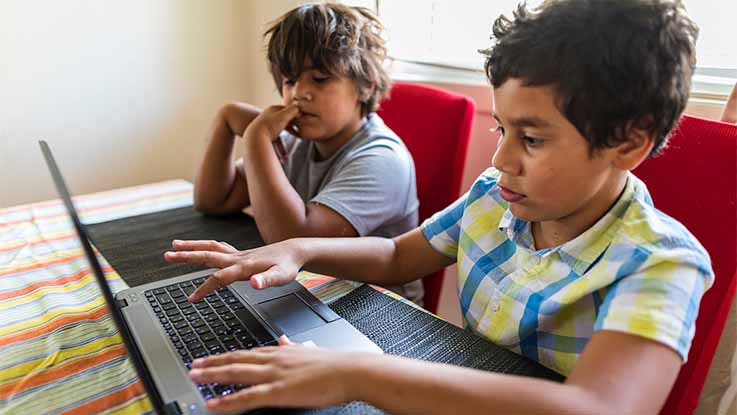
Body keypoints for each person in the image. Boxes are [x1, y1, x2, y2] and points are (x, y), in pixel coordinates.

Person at [165, 0, 714, 413]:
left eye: (532, 138)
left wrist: (359, 375)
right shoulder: (493, 198)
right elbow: (397, 257)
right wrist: (298, 248)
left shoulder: (660, 261)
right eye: (501, 127)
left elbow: (597, 407)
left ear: (628, 144)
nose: (499, 157)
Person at [192, 3, 423, 303]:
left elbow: (291, 240)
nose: (299, 93)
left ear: (365, 86)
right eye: (290, 80)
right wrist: (226, 120)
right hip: (312, 293)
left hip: (378, 312)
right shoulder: (296, 140)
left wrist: (257, 137)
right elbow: (214, 200)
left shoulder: (382, 159)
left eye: (320, 78)